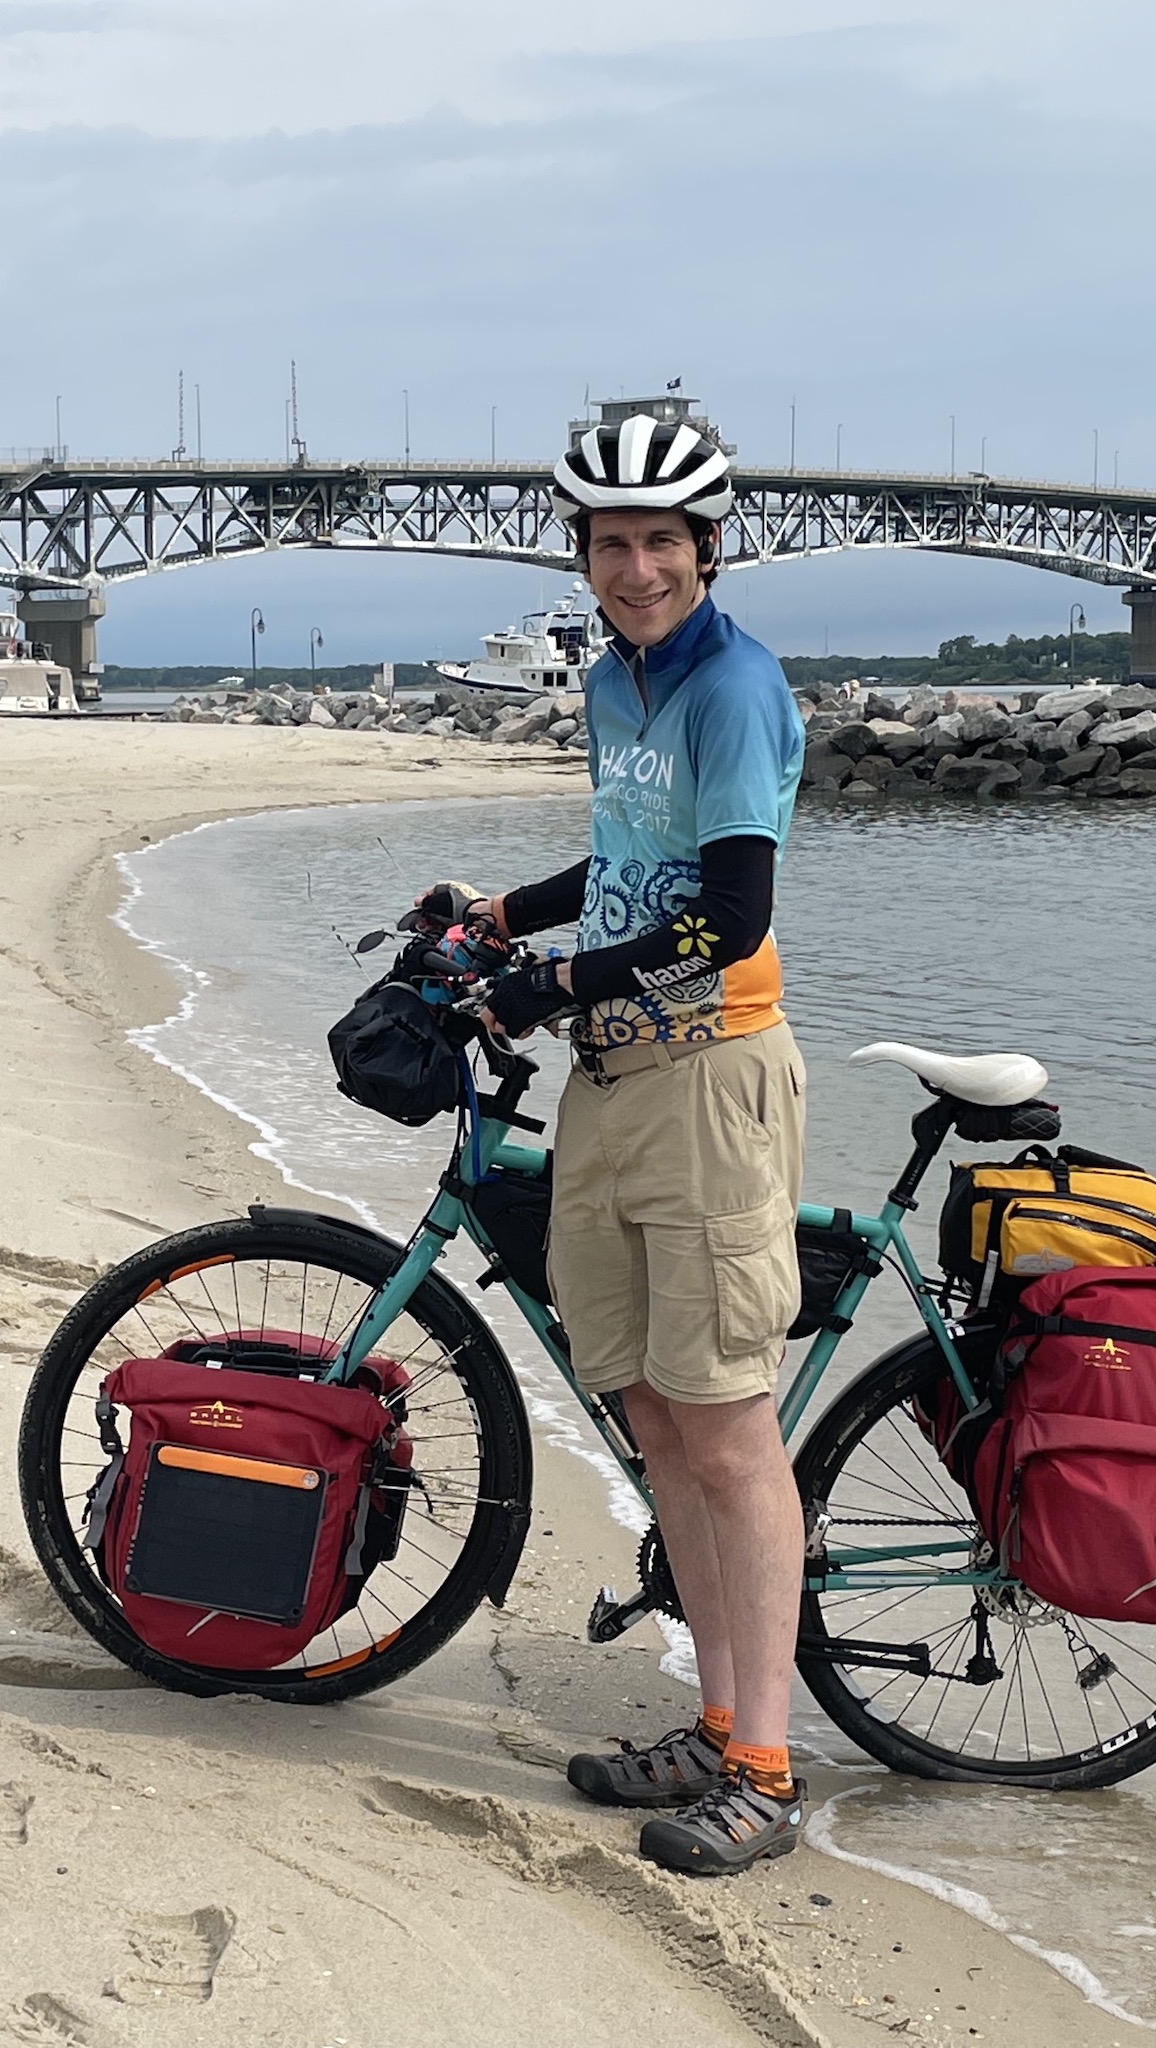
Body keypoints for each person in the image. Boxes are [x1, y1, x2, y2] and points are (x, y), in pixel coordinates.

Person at [421, 408, 808, 1875]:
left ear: (709, 548)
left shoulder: (734, 689)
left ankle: (765, 1772)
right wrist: (497, 921)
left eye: (661, 542)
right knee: (653, 1417)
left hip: (711, 1082)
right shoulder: (614, 682)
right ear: (581, 556)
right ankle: (715, 1726)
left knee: (724, 1432)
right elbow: (633, 864)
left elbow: (730, 917)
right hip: (617, 1080)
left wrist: (549, 982)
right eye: (610, 544)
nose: (636, 567)